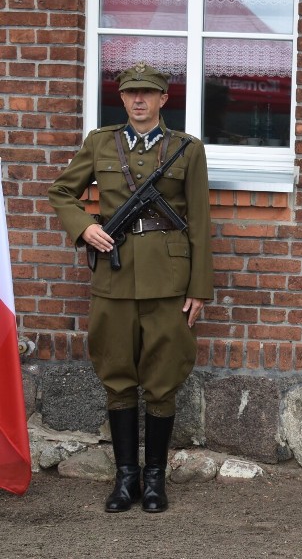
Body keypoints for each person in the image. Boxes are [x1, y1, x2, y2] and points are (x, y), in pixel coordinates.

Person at [48, 62, 214, 513]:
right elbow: (62, 191)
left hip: (169, 280)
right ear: (121, 99)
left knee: (162, 379)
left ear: (163, 99)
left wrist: (198, 287)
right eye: (130, 93)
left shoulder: (187, 150)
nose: (138, 100)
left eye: (147, 93)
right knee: (117, 374)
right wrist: (84, 228)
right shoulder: (101, 143)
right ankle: (126, 479)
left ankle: (155, 480)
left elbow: (199, 220)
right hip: (115, 277)